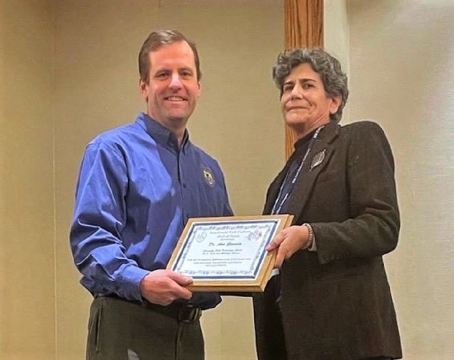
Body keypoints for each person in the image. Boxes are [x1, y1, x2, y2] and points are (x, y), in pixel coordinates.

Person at [69, 29, 233, 360]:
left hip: (189, 332)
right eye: (163, 74)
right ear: (144, 86)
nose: (176, 83)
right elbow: (90, 242)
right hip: (126, 325)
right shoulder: (111, 151)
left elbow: (226, 246)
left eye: (185, 73)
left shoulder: (210, 170)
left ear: (198, 86)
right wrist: (141, 281)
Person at [252, 48, 402, 360]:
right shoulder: (281, 180)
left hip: (349, 342)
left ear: (333, 101)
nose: (294, 94)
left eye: (307, 85)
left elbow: (382, 226)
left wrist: (310, 236)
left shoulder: (357, 138)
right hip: (289, 341)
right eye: (287, 87)